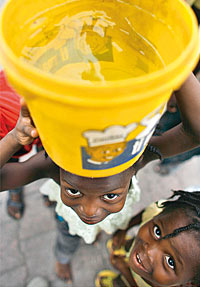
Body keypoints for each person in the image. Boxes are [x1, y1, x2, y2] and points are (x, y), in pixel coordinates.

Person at [0, 73, 200, 282]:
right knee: (67, 239)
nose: (89, 210)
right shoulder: (52, 164)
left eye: (111, 196)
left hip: (113, 221)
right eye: (73, 190)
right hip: (67, 219)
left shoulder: (138, 157)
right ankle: (62, 258)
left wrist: (179, 68)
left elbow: (196, 132)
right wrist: (14, 139)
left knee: (99, 227)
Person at [95, 189, 200, 287]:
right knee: (135, 242)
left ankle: (118, 282)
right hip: (136, 249)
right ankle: (126, 248)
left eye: (170, 262)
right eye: (157, 231)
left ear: (189, 284)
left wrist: (124, 270)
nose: (149, 251)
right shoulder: (157, 211)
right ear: (160, 213)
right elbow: (144, 215)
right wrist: (123, 230)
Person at [0, 70, 53, 219]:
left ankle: (49, 187)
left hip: (29, 109)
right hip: (12, 128)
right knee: (9, 159)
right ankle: (15, 190)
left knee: (46, 149)